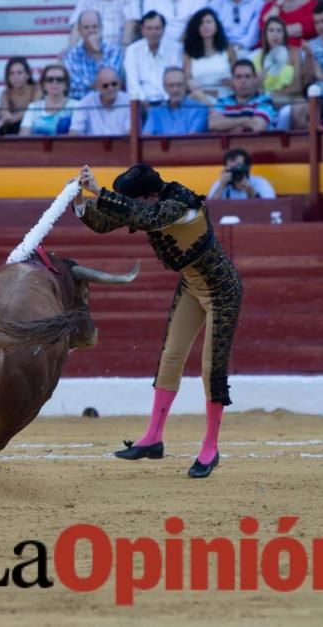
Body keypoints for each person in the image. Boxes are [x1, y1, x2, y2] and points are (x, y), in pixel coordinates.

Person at [75, 162, 243, 479]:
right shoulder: (147, 203)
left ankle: (210, 447)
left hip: (222, 291)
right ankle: (153, 438)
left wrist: (99, 191)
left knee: (211, 369)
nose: (135, 206)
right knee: (171, 357)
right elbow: (104, 222)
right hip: (192, 287)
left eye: (138, 200)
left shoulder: (180, 202)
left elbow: (146, 218)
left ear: (150, 194)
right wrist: (79, 202)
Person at [63, 10, 125, 101]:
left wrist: (97, 52)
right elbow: (74, 87)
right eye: (86, 28)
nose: (91, 31)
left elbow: (108, 82)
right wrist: (97, 85)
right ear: (79, 31)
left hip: (109, 102)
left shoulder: (114, 51)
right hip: (79, 104)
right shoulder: (71, 55)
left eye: (94, 27)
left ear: (101, 28)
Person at [124, 11, 182, 104]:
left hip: (169, 102)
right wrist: (142, 101)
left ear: (164, 29)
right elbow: (132, 84)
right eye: (149, 28)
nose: (153, 32)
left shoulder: (175, 49)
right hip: (142, 103)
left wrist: (166, 102)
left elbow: (176, 79)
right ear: (142, 30)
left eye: (157, 28)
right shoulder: (132, 50)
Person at [182, 8, 237, 104]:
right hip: (201, 98)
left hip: (227, 97)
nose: (205, 26)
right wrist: (189, 83)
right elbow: (186, 80)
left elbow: (238, 75)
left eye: (209, 22)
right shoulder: (189, 53)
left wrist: (231, 82)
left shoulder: (228, 49)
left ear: (216, 25)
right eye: (201, 23)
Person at [250, 16, 300, 115]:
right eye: (271, 31)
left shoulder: (294, 53)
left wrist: (273, 93)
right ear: (265, 34)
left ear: (284, 34)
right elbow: (252, 89)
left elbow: (297, 86)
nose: (275, 35)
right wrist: (258, 82)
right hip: (264, 101)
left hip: (288, 100)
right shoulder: (257, 57)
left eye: (279, 31)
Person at [208, 59, 275, 133]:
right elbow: (213, 124)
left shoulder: (264, 100)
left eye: (247, 76)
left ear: (254, 79)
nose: (243, 81)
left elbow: (258, 126)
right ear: (232, 80)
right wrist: (245, 120)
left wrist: (227, 126)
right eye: (238, 77)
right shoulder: (223, 101)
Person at [141, 66, 209, 134]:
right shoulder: (155, 112)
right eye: (171, 85)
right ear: (164, 87)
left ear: (186, 86)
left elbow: (191, 139)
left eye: (179, 85)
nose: (175, 90)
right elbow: (147, 137)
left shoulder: (200, 109)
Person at [19, 63, 79, 135]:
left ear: (66, 84)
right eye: (50, 79)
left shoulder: (77, 106)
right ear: (43, 84)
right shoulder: (33, 107)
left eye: (59, 79)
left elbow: (75, 137)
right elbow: (24, 136)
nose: (54, 82)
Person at [69, 66, 131, 135]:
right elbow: (75, 131)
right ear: (97, 87)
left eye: (114, 84)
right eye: (105, 85)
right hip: (93, 145)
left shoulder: (128, 101)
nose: (110, 88)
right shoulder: (86, 102)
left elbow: (130, 133)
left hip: (121, 144)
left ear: (119, 84)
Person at [0, 56, 41, 136]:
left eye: (19, 73)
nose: (15, 77)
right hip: (12, 125)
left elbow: (33, 111)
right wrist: (6, 119)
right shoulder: (6, 93)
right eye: (12, 73)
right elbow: (5, 113)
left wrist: (13, 117)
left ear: (27, 75)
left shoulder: (36, 90)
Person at [208, 147, 277, 198]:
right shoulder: (220, 184)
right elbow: (208, 210)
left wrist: (249, 189)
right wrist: (222, 186)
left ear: (248, 167)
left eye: (238, 167)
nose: (234, 172)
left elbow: (269, 209)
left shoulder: (260, 183)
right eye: (231, 169)